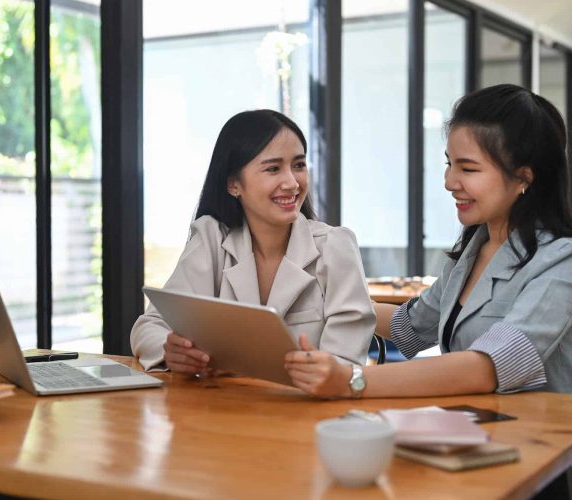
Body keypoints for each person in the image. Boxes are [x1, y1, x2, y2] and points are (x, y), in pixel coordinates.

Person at [285, 84, 572, 398]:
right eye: (450, 164)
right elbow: (408, 327)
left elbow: (486, 368)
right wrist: (322, 293)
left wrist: (351, 380)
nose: (450, 182)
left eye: (469, 168)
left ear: (523, 178)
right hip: (479, 434)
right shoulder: (473, 252)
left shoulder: (561, 263)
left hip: (544, 441)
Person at [131, 109, 375, 373]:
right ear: (234, 184)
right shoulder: (212, 238)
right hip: (218, 409)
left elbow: (345, 366)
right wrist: (171, 350)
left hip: (308, 410)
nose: (292, 183)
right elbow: (149, 326)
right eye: (273, 168)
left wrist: (327, 372)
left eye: (299, 165)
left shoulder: (335, 247)